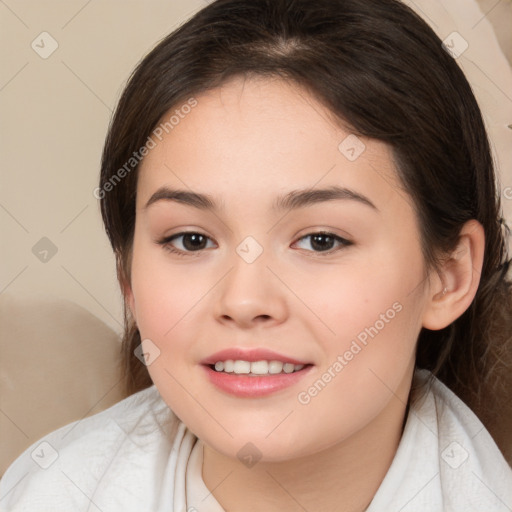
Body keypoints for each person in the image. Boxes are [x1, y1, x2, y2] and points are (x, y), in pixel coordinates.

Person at [1, 0, 511, 510]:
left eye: (321, 240)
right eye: (191, 240)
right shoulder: (44, 493)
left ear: (450, 274)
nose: (244, 301)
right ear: (128, 278)